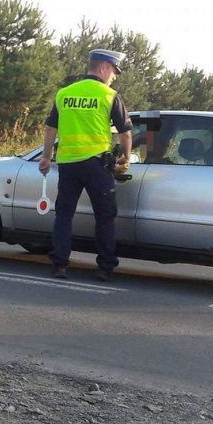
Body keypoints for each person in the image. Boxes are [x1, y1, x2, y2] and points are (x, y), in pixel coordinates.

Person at [39, 49, 133, 281]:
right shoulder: (109, 95)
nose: (114, 76)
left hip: (68, 164)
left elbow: (51, 128)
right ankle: (104, 268)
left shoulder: (64, 94)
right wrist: (126, 158)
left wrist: (46, 157)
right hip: (96, 164)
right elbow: (126, 133)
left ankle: (60, 265)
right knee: (105, 215)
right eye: (114, 71)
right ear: (103, 68)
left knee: (63, 214)